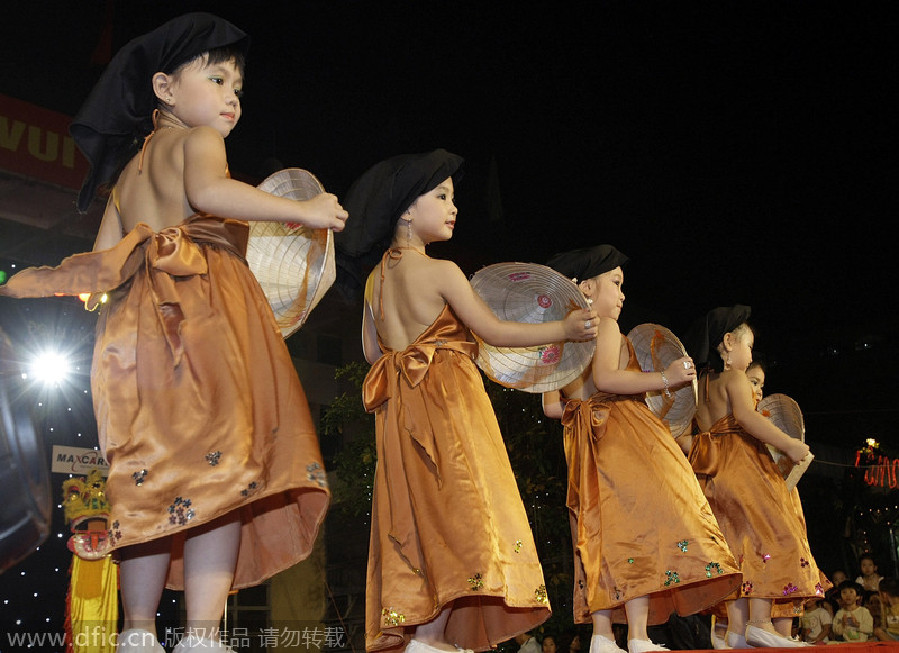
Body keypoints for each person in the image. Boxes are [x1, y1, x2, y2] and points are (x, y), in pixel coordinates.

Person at [0, 13, 347, 652]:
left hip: (130, 333)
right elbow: (212, 192)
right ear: (163, 87)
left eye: (238, 88)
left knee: (147, 476)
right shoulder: (200, 142)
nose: (231, 98)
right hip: (201, 310)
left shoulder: (127, 175)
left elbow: (97, 273)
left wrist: (50, 284)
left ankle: (136, 634)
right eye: (217, 79)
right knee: (221, 474)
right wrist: (303, 210)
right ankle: (201, 637)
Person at [333, 149, 597, 653]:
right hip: (448, 402)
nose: (454, 207)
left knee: (417, 514)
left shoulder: (373, 281)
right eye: (442, 196)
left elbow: (372, 352)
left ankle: (425, 633)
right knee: (462, 510)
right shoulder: (442, 271)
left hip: (399, 408)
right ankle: (433, 637)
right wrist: (562, 329)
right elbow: (494, 330)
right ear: (406, 211)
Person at [541, 246, 742, 653]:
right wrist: (663, 378)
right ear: (585, 288)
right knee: (639, 529)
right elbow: (608, 378)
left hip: (581, 441)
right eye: (615, 283)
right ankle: (636, 636)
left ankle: (601, 637)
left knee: (596, 535)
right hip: (620, 436)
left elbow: (550, 406)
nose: (621, 295)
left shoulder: (557, 338)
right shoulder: (605, 325)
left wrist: (583, 411)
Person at [685, 305, 819, 649]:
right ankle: (760, 623)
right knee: (771, 536)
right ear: (728, 343)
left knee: (737, 546)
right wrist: (790, 444)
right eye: (748, 346)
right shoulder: (734, 378)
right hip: (742, 463)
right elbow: (747, 417)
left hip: (712, 467)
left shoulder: (701, 383)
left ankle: (738, 631)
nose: (749, 353)